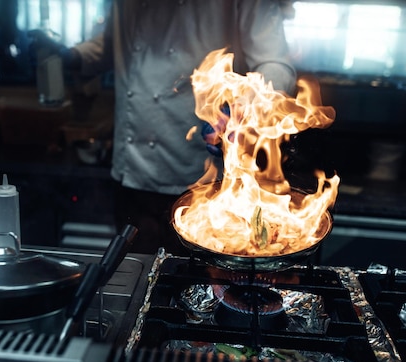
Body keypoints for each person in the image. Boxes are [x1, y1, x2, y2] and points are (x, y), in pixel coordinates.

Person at [62, 0, 297, 255]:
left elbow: (276, 65)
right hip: (130, 174)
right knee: (135, 275)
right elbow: (110, 46)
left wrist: (243, 107)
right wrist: (72, 56)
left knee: (196, 282)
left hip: (199, 179)